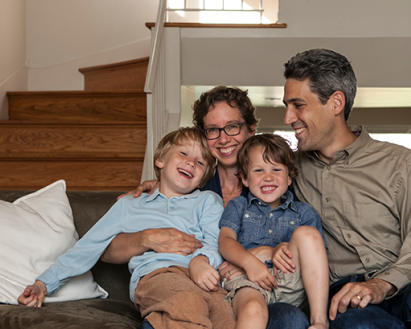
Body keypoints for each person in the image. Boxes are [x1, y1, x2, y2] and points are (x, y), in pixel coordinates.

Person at [282, 48, 411, 328]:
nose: (288, 118)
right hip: (347, 298)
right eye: (286, 106)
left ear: (336, 102)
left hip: (406, 285)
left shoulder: (400, 163)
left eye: (298, 105)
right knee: (356, 324)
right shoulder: (288, 170)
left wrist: (380, 285)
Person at [103, 86, 311, 329]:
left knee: (292, 319)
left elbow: (297, 245)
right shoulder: (186, 185)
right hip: (199, 291)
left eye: (232, 126)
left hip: (255, 293)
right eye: (213, 130)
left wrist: (258, 254)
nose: (223, 139)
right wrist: (147, 238)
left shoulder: (273, 184)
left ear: (251, 129)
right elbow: (106, 250)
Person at [18, 127, 236, 329]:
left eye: (200, 163)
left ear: (202, 180)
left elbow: (217, 241)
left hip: (204, 277)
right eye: (184, 154)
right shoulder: (129, 204)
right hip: (158, 275)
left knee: (226, 315)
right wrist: (43, 284)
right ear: (160, 160)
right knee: (187, 302)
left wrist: (202, 260)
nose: (191, 163)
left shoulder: (208, 200)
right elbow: (87, 247)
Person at [218, 134, 329, 329]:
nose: (268, 177)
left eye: (276, 170)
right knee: (253, 309)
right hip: (248, 281)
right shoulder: (238, 206)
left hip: (291, 280)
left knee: (307, 234)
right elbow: (225, 240)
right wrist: (249, 263)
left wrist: (285, 246)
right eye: (259, 170)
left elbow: (315, 254)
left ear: (289, 177)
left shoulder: (304, 212)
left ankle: (319, 321)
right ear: (244, 178)